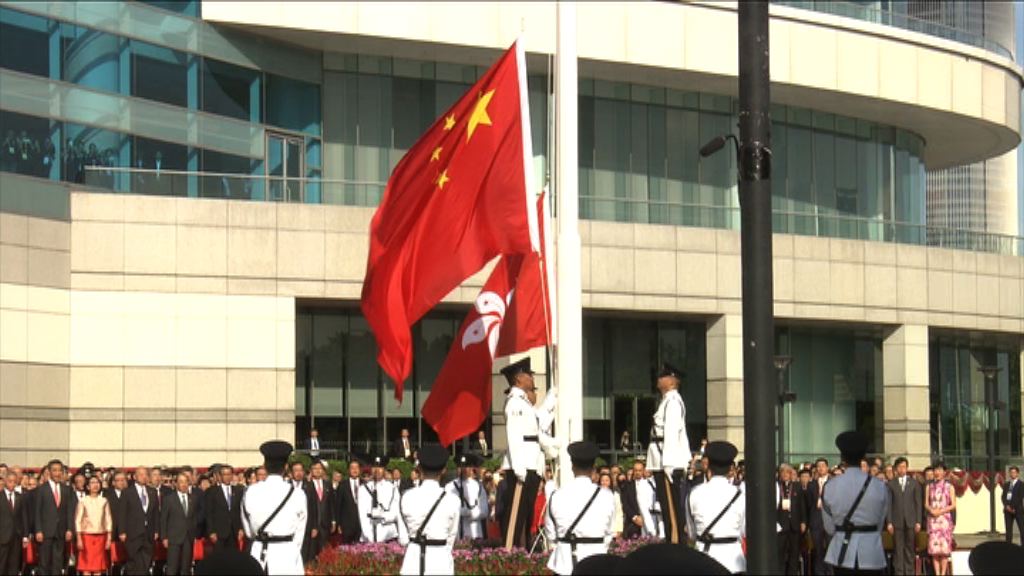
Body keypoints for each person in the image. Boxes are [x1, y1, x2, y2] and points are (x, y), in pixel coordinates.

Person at [822, 431, 889, 576]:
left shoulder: (830, 486)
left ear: (842, 457)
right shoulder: (879, 486)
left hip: (842, 551)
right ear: (863, 457)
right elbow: (880, 521)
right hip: (871, 550)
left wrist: (843, 531)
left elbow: (829, 527)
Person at [544, 441, 614, 575]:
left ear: (572, 466)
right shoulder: (607, 496)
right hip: (596, 564)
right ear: (594, 468)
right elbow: (609, 533)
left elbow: (551, 535)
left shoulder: (556, 496)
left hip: (564, 565)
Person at [241, 441, 307, 575]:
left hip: (258, 554)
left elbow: (248, 531)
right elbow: (300, 531)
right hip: (287, 554)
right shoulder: (298, 494)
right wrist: (292, 549)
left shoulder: (251, 492)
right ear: (286, 467)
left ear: (265, 466)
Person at [500, 357, 544, 549]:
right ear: (519, 379)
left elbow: (535, 431)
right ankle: (509, 553)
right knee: (515, 515)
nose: (531, 378)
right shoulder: (515, 402)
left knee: (526, 513)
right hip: (522, 465)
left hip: (531, 462)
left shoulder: (524, 403)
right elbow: (514, 436)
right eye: (528, 374)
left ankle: (523, 552)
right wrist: (519, 468)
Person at [397, 444, 460, 576]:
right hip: (440, 561)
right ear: (444, 470)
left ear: (419, 468)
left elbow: (403, 538)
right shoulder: (453, 500)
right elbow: (451, 536)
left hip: (412, 560)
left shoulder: (406, 496)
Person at [684, 441, 745, 574]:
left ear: (708, 467)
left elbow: (691, 533)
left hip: (703, 560)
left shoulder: (694, 494)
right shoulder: (741, 495)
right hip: (733, 561)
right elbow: (743, 530)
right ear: (731, 469)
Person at [646, 363, 690, 544]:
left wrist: (668, 466)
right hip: (661, 460)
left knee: (671, 510)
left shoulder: (672, 402)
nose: (658, 380)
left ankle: (676, 544)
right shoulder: (667, 401)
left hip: (666, 463)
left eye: (661, 376)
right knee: (666, 507)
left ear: (671, 381)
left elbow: (671, 434)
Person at [34, 459, 75, 576]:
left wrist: (69, 529)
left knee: (57, 564)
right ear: (49, 472)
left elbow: (69, 511)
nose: (57, 473)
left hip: (60, 532)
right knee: (44, 563)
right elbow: (37, 511)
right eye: (54, 470)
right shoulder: (42, 489)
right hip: (45, 532)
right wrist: (38, 530)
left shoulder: (66, 489)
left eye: (59, 471)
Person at [885, 457, 923, 576]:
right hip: (896, 522)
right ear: (896, 469)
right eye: (900, 467)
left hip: (911, 521)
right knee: (898, 549)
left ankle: (910, 572)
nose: (902, 469)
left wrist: (918, 521)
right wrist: (889, 522)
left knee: (910, 549)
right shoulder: (891, 484)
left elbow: (918, 504)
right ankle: (899, 572)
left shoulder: (914, 483)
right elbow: (888, 504)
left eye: (904, 467)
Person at [121, 466, 159, 576]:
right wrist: (122, 531)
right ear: (134, 476)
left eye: (146, 474)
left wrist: (156, 530)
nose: (144, 477)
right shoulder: (127, 492)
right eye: (141, 474)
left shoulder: (152, 492)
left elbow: (156, 513)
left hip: (148, 533)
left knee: (146, 561)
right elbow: (122, 513)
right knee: (134, 562)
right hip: (133, 533)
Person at [161, 472, 198, 576]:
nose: (184, 484)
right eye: (181, 482)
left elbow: (194, 517)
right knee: (172, 567)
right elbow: (163, 519)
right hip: (173, 537)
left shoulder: (193, 498)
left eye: (186, 482)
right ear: (176, 484)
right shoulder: (169, 499)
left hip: (188, 537)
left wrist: (193, 533)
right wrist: (164, 537)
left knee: (186, 567)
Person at [74, 475, 112, 576]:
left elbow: (108, 519)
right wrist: (79, 538)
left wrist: (108, 538)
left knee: (98, 566)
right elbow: (78, 520)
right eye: (92, 483)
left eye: (97, 482)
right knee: (86, 566)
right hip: (86, 536)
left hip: (101, 536)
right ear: (87, 486)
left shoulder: (104, 500)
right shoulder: (83, 501)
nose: (95, 485)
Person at [446, 454, 489, 540]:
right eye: (460, 466)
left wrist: (470, 513)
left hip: (475, 533)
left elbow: (484, 511)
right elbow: (447, 509)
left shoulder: (478, 486)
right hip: (456, 533)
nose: (463, 469)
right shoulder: (449, 486)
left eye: (467, 466)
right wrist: (459, 511)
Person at [358, 456, 400, 543]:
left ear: (384, 469)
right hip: (368, 535)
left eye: (380, 467)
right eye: (374, 467)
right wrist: (369, 536)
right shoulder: (363, 489)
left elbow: (396, 511)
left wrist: (382, 516)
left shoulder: (392, 488)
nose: (377, 470)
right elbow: (362, 514)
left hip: (388, 534)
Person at [926, 462, 956, 576]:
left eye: (939, 470)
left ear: (944, 472)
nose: (937, 472)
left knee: (944, 551)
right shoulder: (929, 486)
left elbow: (953, 504)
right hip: (933, 520)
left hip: (944, 520)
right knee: (935, 551)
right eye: (935, 470)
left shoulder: (950, 486)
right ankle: (937, 573)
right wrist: (931, 510)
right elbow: (926, 503)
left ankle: (943, 573)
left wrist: (941, 511)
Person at [205, 464, 242, 551]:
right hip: (219, 532)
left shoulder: (238, 491)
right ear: (220, 476)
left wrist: (241, 528)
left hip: (234, 531)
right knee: (220, 558)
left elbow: (240, 511)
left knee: (233, 558)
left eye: (229, 474)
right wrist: (211, 531)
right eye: (224, 474)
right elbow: (208, 513)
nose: (227, 477)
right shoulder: (212, 491)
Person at [777, 463, 805, 575]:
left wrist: (803, 521)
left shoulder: (797, 486)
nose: (785, 474)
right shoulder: (776, 486)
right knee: (780, 553)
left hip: (794, 524)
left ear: (791, 474)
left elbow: (802, 505)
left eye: (787, 472)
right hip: (781, 525)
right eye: (782, 472)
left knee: (794, 553)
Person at [0, 471, 26, 576]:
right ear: (5, 481)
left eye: (14, 482)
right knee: (2, 565)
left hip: (16, 536)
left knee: (14, 565)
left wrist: (25, 535)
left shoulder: (20, 497)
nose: (12, 484)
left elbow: (24, 517)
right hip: (2, 537)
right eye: (10, 481)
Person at [308, 460, 334, 558]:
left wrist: (333, 520)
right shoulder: (307, 485)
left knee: (324, 551)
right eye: (315, 468)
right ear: (311, 470)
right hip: (312, 525)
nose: (318, 471)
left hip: (325, 523)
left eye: (320, 468)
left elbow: (331, 503)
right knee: (312, 551)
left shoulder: (327, 484)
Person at [336, 459, 362, 544]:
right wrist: (338, 523)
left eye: (356, 468)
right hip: (346, 524)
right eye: (352, 468)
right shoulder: (343, 485)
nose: (354, 470)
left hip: (361, 524)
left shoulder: (365, 484)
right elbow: (338, 505)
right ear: (348, 470)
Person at [1002, 465, 1023, 545]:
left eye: (1014, 472)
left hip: (1018, 510)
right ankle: (1008, 547)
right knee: (1008, 531)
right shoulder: (1007, 484)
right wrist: (1006, 506)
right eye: (1011, 472)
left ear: (1017, 474)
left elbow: (1020, 497)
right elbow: (1003, 496)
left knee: (1022, 529)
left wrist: (1013, 507)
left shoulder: (1021, 484)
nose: (1012, 474)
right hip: (1007, 511)